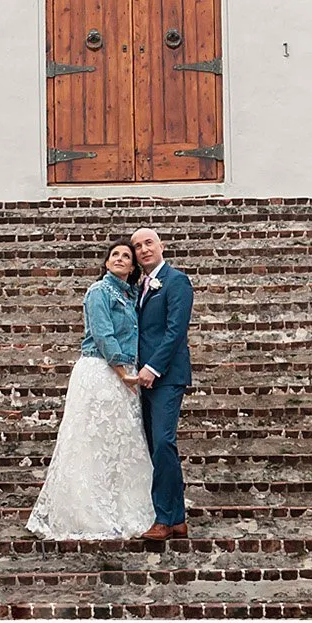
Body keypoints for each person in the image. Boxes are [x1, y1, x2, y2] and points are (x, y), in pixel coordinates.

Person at [25, 238, 157, 540]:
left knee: (119, 442)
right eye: (115, 255)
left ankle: (121, 505)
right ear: (107, 262)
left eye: (127, 255)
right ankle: (88, 512)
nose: (121, 259)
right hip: (101, 370)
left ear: (134, 265)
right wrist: (122, 372)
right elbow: (102, 334)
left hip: (125, 374)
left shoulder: (131, 294)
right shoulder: (99, 291)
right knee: (92, 441)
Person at [130, 226, 194, 539]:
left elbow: (175, 331)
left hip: (166, 376)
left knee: (164, 443)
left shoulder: (176, 281)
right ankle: (178, 517)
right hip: (143, 378)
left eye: (148, 243)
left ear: (161, 245)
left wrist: (153, 368)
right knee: (156, 445)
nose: (143, 249)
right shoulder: (140, 286)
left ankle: (164, 520)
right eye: (137, 246)